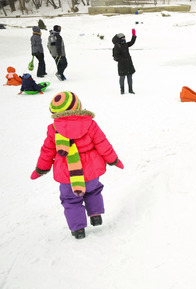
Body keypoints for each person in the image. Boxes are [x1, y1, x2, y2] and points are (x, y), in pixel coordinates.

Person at [30, 91, 124, 239]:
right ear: (78, 106)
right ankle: (96, 215)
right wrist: (113, 159)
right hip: (91, 170)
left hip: (68, 174)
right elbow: (102, 143)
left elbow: (47, 151)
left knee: (70, 199)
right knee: (93, 191)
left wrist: (41, 168)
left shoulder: (54, 129)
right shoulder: (90, 123)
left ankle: (78, 229)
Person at [112, 29, 137, 94]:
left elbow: (131, 43)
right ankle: (122, 90)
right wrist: (123, 60)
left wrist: (133, 36)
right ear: (119, 39)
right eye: (123, 38)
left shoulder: (125, 44)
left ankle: (130, 90)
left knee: (130, 77)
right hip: (122, 65)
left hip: (128, 64)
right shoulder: (117, 46)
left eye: (124, 38)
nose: (124, 39)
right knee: (122, 77)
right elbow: (116, 55)